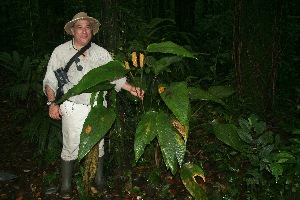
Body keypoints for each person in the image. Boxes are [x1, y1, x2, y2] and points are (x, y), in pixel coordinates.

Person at [43, 12, 144, 199]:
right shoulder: (61, 52)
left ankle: (99, 180)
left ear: (92, 31)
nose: (84, 31)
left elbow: (114, 76)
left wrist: (131, 88)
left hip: (98, 106)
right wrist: (52, 103)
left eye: (87, 27)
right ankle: (66, 185)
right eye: (79, 27)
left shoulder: (101, 53)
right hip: (73, 106)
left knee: (99, 144)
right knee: (71, 146)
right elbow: (51, 81)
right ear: (72, 31)